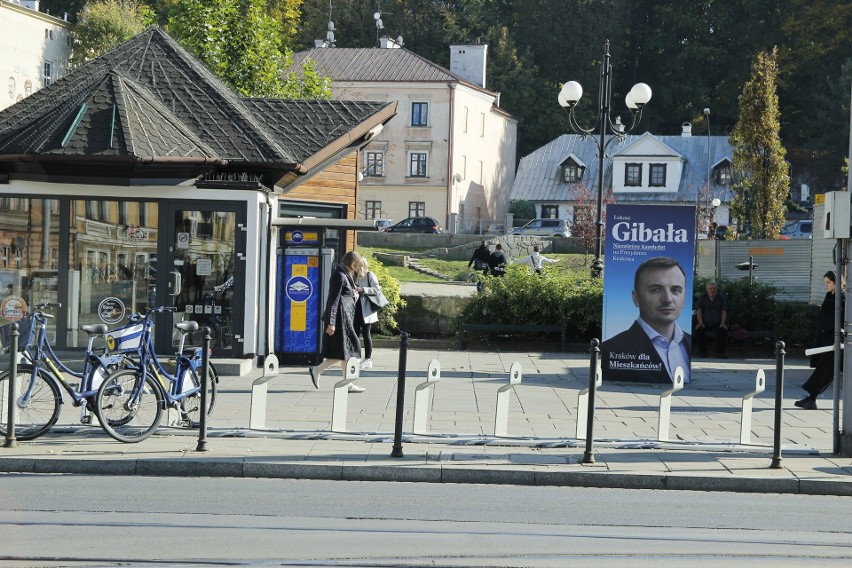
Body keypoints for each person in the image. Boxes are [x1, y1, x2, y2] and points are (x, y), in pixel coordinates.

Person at [601, 256, 691, 384]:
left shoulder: (689, 343)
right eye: (656, 290)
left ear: (684, 298)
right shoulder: (611, 349)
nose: (667, 299)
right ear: (636, 298)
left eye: (675, 290)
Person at [309, 250, 365, 393]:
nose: (358, 268)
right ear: (352, 264)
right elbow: (333, 301)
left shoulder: (345, 274)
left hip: (344, 318)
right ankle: (320, 371)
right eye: (357, 265)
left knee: (345, 352)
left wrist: (354, 295)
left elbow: (345, 295)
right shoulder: (339, 276)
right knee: (349, 350)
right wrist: (331, 322)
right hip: (340, 320)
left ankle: (344, 381)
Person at [796, 270, 843, 410]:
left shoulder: (842, 298)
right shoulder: (830, 296)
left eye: (828, 282)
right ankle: (811, 399)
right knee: (826, 370)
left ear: (837, 282)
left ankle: (811, 399)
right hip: (828, 340)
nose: (826, 285)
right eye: (824, 283)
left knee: (825, 370)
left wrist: (838, 338)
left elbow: (841, 320)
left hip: (836, 341)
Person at [354, 258, 383, 370]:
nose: (355, 267)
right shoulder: (353, 275)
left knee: (366, 334)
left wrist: (363, 289)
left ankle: (367, 360)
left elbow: (377, 289)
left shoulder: (369, 275)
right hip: (355, 308)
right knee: (355, 333)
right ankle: (356, 357)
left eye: (357, 265)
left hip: (367, 309)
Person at [694, 280, 728, 358]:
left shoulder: (720, 297)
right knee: (698, 331)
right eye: (710, 288)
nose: (712, 290)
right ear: (707, 289)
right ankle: (703, 352)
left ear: (716, 289)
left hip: (717, 323)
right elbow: (699, 310)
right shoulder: (703, 297)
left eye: (714, 288)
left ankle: (720, 353)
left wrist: (722, 323)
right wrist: (700, 322)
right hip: (705, 323)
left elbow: (723, 311)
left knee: (723, 331)